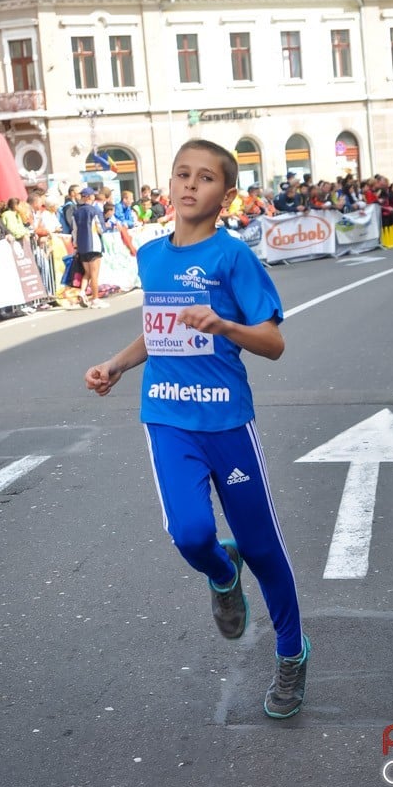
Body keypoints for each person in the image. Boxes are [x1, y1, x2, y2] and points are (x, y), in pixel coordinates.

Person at [84, 138, 309, 719]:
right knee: (188, 534)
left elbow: (275, 343)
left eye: (205, 178)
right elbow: (155, 332)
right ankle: (219, 569)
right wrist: (115, 364)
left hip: (226, 419)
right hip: (166, 414)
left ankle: (291, 653)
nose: (190, 185)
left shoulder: (233, 258)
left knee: (262, 547)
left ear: (226, 195)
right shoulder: (152, 256)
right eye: (182, 174)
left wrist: (223, 323)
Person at [72, 186, 107, 308]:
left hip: (82, 247)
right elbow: (101, 229)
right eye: (92, 195)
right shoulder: (94, 210)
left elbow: (74, 231)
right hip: (94, 245)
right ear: (89, 197)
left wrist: (76, 245)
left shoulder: (76, 212)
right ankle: (95, 299)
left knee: (87, 272)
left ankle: (82, 292)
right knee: (94, 274)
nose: (93, 197)